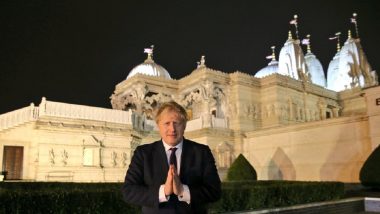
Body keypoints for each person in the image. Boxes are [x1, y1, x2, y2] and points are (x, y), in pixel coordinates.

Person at [122, 101, 221, 214]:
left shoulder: (202, 152)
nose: (172, 129)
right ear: (158, 125)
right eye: (167, 123)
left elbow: (215, 191)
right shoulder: (143, 154)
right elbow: (129, 191)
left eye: (176, 123)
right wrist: (163, 191)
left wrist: (184, 191)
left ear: (184, 125)